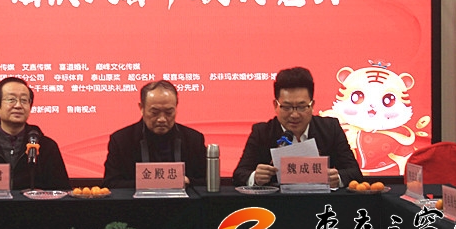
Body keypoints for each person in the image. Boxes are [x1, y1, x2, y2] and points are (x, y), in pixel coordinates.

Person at [232, 66, 363, 188]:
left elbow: (355, 173)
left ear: (312, 105)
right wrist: (255, 177)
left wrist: (337, 178)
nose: (294, 115)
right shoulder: (262, 133)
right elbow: (239, 174)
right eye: (287, 107)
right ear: (275, 105)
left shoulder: (330, 129)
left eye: (301, 107)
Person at [0, 76, 70, 190]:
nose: (18, 106)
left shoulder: (47, 147)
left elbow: (62, 191)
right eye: (11, 99)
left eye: (24, 100)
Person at [102, 80, 206, 188]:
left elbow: (208, 181)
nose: (162, 119)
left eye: (169, 112)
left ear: (176, 108)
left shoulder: (194, 140)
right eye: (154, 112)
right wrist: (149, 183)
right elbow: (110, 183)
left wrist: (188, 181)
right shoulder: (121, 141)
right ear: (141, 108)